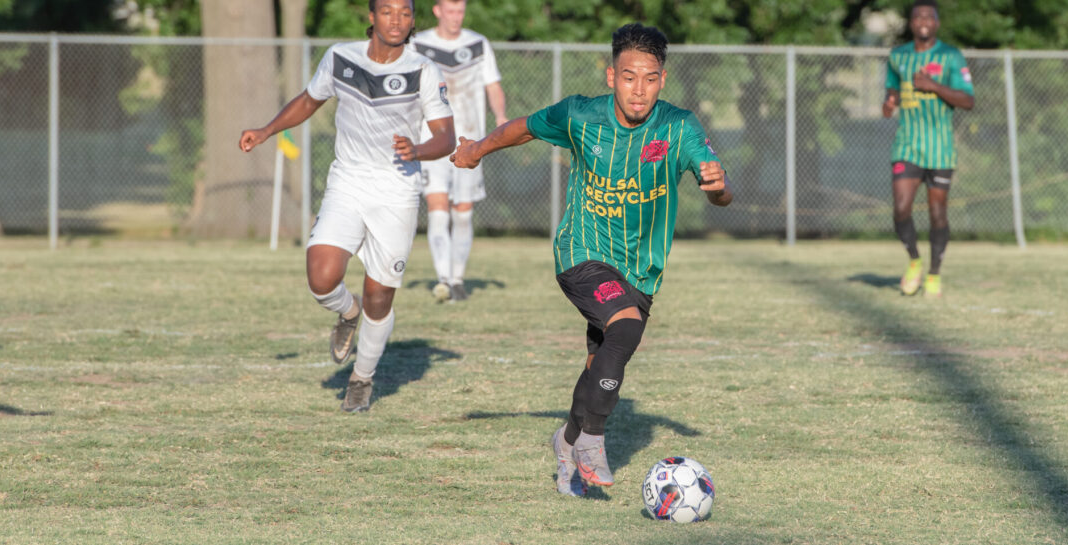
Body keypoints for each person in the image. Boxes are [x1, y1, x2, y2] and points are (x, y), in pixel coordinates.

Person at [451, 23, 733, 496]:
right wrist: (477, 150)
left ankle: (567, 443)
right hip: (581, 251)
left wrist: (718, 186)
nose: (638, 89)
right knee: (625, 328)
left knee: (600, 364)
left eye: (649, 77)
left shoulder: (679, 126)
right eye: (628, 77)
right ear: (610, 76)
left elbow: (721, 195)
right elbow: (524, 128)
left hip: (640, 268)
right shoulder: (581, 115)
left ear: (662, 79)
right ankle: (593, 441)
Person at [239, 0, 454, 412]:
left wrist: (419, 149)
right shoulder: (340, 57)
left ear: (413, 20)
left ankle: (362, 379)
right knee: (321, 278)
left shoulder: (424, 69)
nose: (397, 20)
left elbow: (447, 137)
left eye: (405, 13)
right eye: (388, 11)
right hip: (348, 182)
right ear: (371, 17)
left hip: (397, 192)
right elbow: (308, 100)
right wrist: (266, 130)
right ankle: (347, 311)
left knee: (380, 297)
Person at [411, 0, 508, 302]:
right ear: (438, 11)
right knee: (438, 212)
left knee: (463, 214)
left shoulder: (478, 44)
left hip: (469, 141)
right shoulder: (418, 44)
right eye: (450, 11)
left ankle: (457, 279)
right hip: (432, 138)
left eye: (460, 11)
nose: (456, 17)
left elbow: (493, 85)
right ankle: (443, 280)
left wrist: (501, 117)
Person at [883, 0, 975, 298]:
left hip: (940, 149)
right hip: (907, 145)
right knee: (900, 208)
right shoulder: (898, 56)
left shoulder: (950, 56)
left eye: (929, 16)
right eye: (917, 15)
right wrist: (889, 103)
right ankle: (914, 261)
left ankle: (934, 273)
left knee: (937, 214)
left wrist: (933, 86)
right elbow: (891, 92)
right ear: (911, 23)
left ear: (936, 23)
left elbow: (968, 100)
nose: (923, 20)